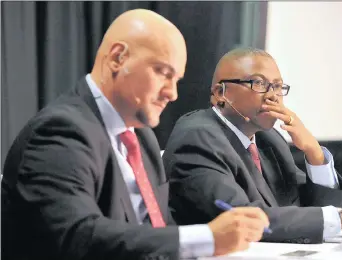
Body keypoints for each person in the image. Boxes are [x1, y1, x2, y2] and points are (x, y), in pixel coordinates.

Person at [1, 11, 270, 260]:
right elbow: (76, 236)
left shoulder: (142, 139)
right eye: (163, 73)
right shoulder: (61, 131)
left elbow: (156, 226)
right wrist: (206, 238)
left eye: (176, 80)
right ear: (118, 58)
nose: (172, 93)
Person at [163, 47, 342, 244]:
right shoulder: (197, 136)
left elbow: (314, 210)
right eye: (259, 84)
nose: (272, 96)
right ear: (220, 93)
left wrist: (314, 152)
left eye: (278, 86)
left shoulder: (268, 139)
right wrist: (341, 220)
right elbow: (238, 216)